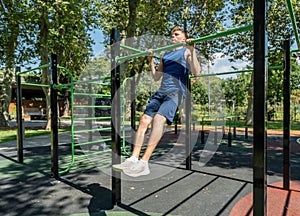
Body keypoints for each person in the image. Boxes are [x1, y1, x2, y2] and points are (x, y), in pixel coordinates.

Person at [113, 26, 201, 177]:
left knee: (159, 120)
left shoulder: (186, 50)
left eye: (177, 34)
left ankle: (144, 163)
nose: (173, 36)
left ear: (184, 38)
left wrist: (192, 50)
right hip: (161, 91)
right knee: (144, 120)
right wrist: (151, 60)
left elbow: (196, 72)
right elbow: (156, 77)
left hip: (176, 92)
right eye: (172, 34)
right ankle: (134, 158)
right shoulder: (165, 54)